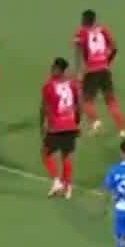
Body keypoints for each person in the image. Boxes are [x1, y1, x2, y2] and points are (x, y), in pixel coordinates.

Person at [73, 9, 125, 136]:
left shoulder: (81, 32)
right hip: (104, 70)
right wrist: (107, 62)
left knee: (86, 101)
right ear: (94, 20)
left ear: (84, 20)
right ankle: (122, 129)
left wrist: (78, 73)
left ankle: (95, 122)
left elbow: (78, 54)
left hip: (90, 71)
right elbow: (114, 48)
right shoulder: (103, 30)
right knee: (110, 101)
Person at [39, 58, 81, 197]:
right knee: (66, 156)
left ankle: (57, 181)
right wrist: (76, 124)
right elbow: (77, 105)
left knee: (44, 153)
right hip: (70, 125)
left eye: (53, 68)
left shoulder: (48, 86)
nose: (52, 70)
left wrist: (42, 125)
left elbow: (44, 107)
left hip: (56, 127)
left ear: (57, 70)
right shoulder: (72, 84)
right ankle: (67, 187)